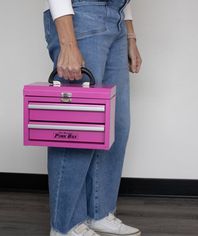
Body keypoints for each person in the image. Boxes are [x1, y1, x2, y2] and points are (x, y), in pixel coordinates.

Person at [43, 0, 142, 236]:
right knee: (78, 128)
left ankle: (99, 213)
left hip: (116, 18)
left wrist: (130, 36)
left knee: (114, 125)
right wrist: (67, 42)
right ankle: (65, 225)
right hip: (81, 14)